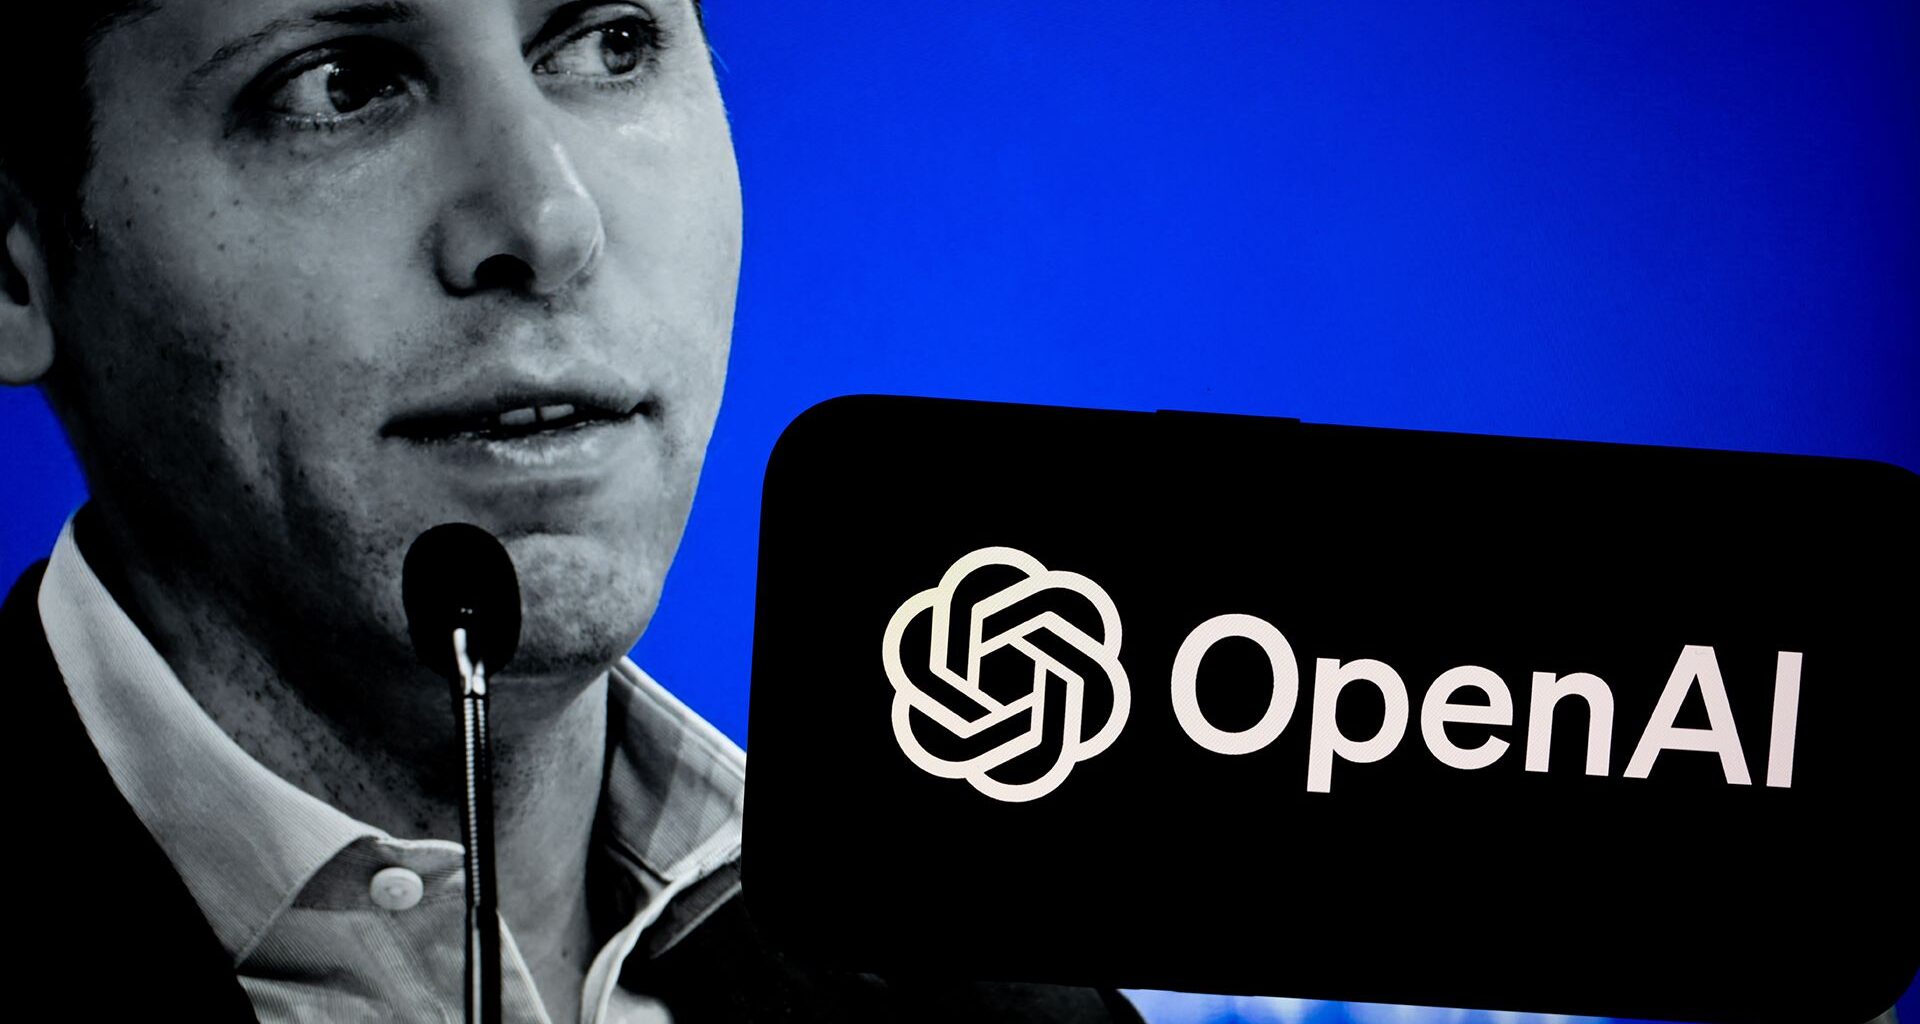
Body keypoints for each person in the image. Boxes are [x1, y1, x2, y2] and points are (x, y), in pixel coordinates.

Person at [0, 1, 1143, 1021]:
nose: (548, 223)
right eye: (340, 84)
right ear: (15, 269)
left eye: (612, 42)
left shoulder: (996, 992)